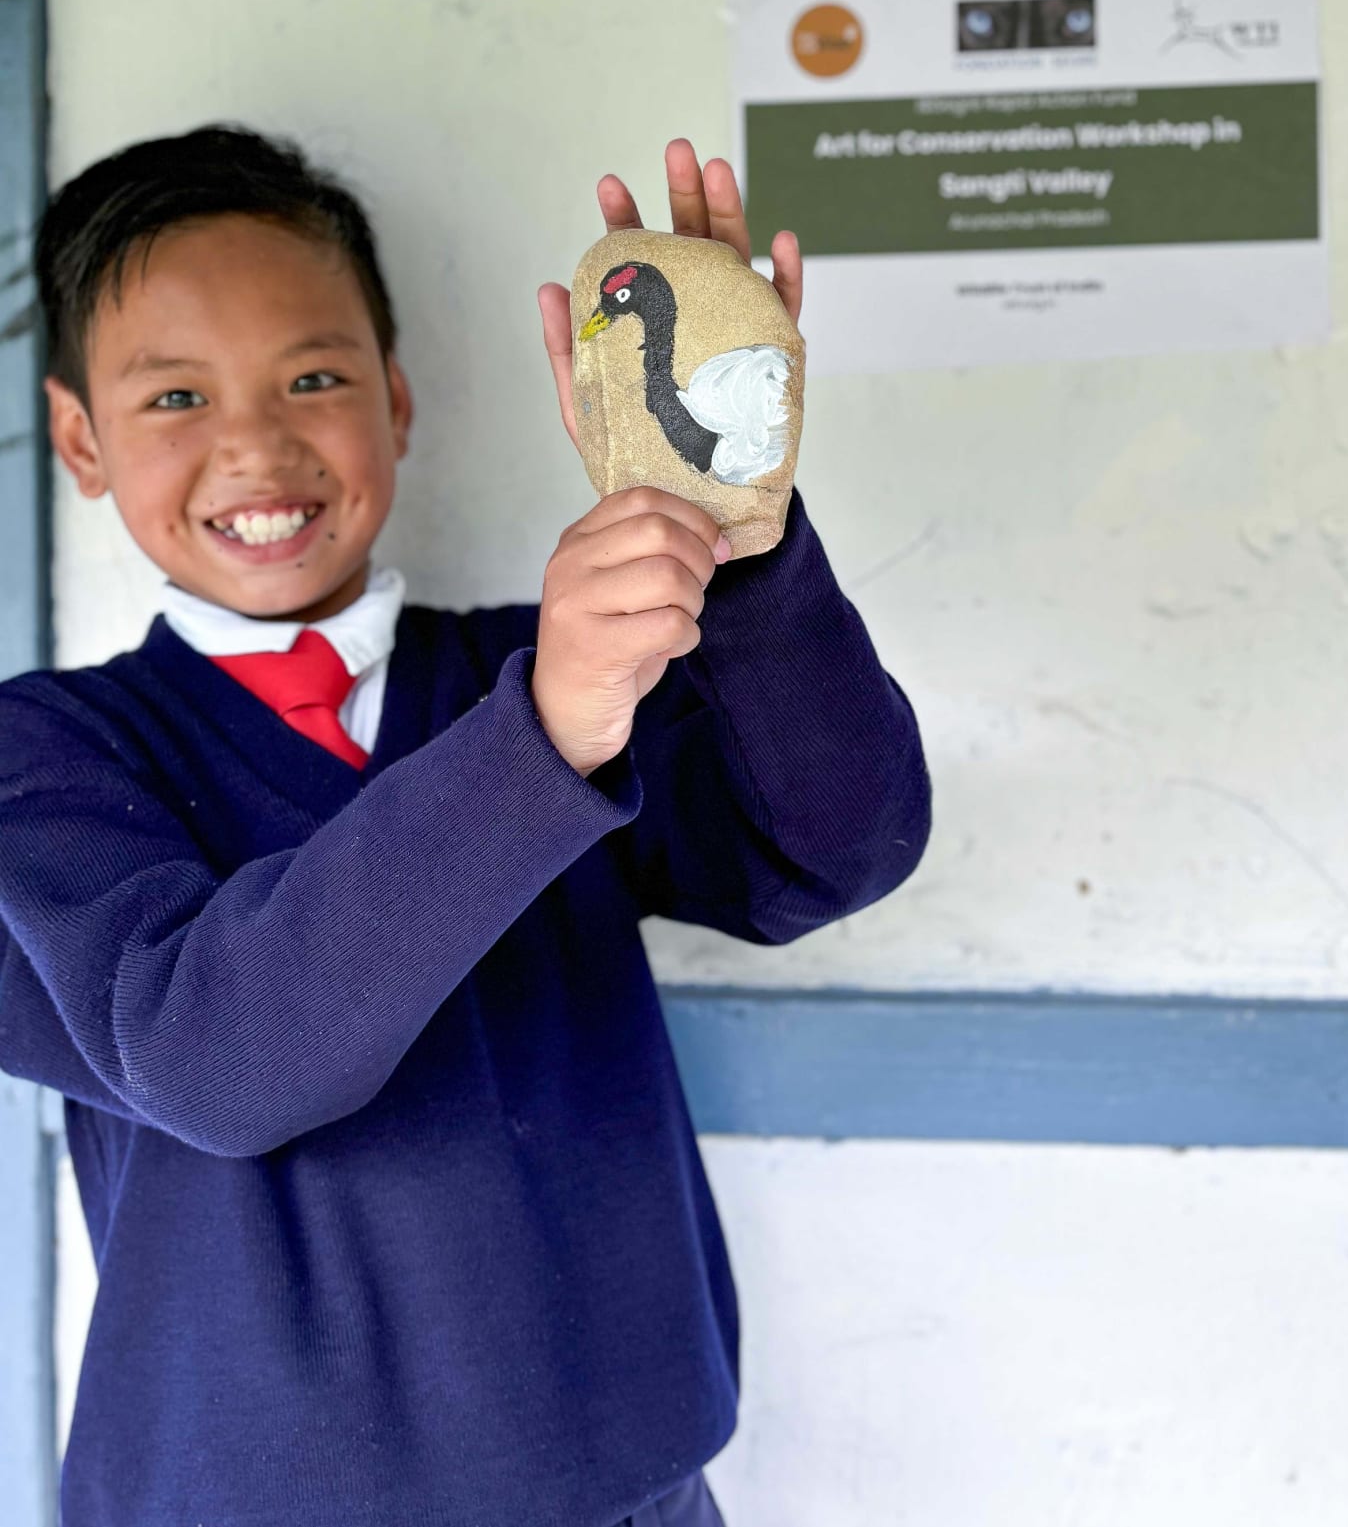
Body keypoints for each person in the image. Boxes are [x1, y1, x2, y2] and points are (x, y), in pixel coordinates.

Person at [0, 123, 931, 1526]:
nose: (255, 442)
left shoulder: (556, 666)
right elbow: (218, 1057)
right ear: (80, 438)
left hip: (625, 1498)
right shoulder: (46, 754)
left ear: (398, 395)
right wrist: (542, 732)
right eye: (176, 395)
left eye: (314, 376)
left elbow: (832, 845)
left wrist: (732, 525)